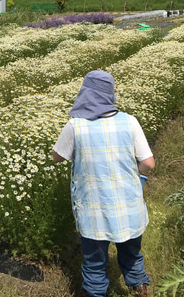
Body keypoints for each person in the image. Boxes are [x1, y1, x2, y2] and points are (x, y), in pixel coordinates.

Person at [52, 70, 155, 297]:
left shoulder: (75, 126)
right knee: (132, 255)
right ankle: (141, 290)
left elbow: (57, 156)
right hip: (129, 207)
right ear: (110, 95)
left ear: (85, 93)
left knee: (94, 263)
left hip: (93, 212)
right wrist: (131, 174)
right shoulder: (130, 121)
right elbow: (148, 163)